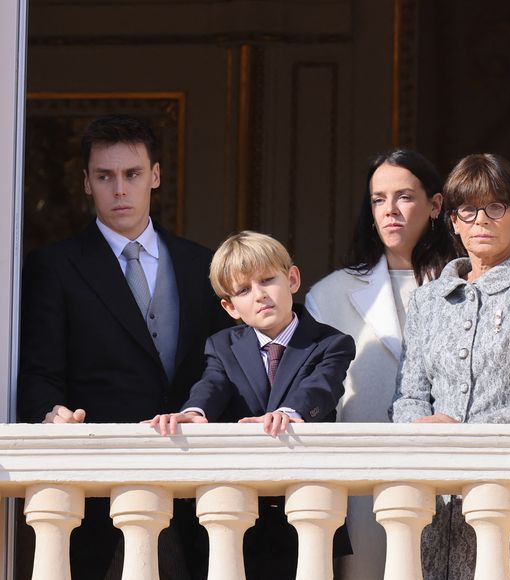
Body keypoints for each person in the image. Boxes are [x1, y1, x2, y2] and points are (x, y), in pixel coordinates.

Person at [17, 115, 231, 579]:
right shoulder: (54, 267)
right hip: (101, 490)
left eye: (131, 175)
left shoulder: (203, 264)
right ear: (86, 183)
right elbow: (37, 372)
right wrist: (50, 413)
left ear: (155, 176)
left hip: (197, 486)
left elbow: (228, 366)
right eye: (104, 176)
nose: (119, 190)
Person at [390, 153, 510, 579]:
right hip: (432, 498)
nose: (481, 220)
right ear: (452, 220)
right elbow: (408, 396)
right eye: (468, 209)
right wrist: (424, 430)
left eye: (496, 207)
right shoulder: (429, 299)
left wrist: (464, 434)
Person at [149, 230, 356, 579]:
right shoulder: (222, 345)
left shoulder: (330, 343)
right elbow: (213, 385)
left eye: (267, 280)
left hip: (304, 521)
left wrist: (289, 413)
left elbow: (321, 389)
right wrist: (194, 412)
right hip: (236, 520)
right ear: (230, 307)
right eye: (243, 291)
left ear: (292, 279)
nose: (259, 295)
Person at [304, 149, 457, 579]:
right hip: (362, 487)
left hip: (451, 477)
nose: (389, 210)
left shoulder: (466, 284)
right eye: (378, 199)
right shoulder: (330, 295)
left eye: (404, 196)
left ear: (436, 204)